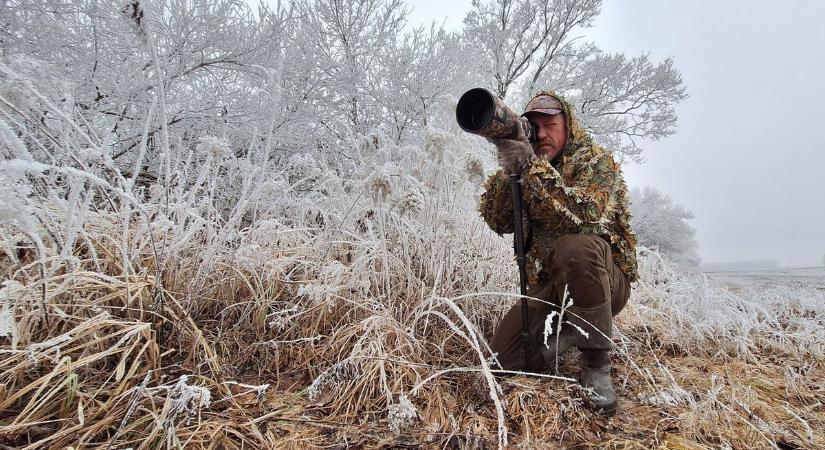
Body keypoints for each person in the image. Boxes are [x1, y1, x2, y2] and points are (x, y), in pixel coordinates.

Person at [479, 91, 638, 415]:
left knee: (575, 247)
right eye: (533, 126)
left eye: (550, 123)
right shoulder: (527, 165)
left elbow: (586, 216)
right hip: (552, 287)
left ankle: (596, 365)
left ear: (569, 124)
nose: (542, 133)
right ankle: (564, 336)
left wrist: (533, 168)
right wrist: (509, 165)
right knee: (502, 364)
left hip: (606, 283)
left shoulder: (594, 162)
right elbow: (498, 220)